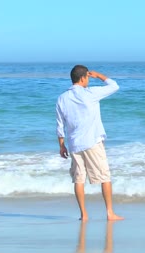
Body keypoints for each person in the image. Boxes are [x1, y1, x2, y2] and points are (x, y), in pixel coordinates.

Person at [56, 65, 124, 221]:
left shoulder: (62, 98)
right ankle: (109, 213)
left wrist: (61, 145)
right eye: (87, 77)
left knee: (79, 179)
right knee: (105, 176)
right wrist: (99, 75)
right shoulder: (90, 93)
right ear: (83, 78)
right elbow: (114, 86)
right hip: (92, 142)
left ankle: (83, 215)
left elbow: (60, 125)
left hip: (74, 144)